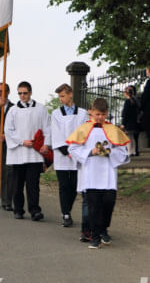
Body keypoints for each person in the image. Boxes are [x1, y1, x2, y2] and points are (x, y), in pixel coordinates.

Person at [67, 98, 131, 249]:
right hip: (90, 173)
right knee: (93, 206)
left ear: (107, 113)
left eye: (103, 114)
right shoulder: (83, 129)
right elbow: (72, 149)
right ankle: (95, 237)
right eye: (97, 114)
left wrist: (110, 152)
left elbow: (123, 151)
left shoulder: (114, 130)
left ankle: (103, 228)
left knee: (108, 203)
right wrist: (90, 151)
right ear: (91, 112)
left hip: (108, 173)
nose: (100, 117)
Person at [4, 81, 51, 221]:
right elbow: (8, 130)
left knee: (33, 184)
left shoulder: (41, 109)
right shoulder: (13, 110)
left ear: (30, 92)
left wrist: (46, 145)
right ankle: (18, 209)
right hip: (18, 152)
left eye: (25, 93)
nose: (22, 96)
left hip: (35, 153)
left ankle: (35, 210)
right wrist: (21, 141)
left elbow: (47, 128)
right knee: (17, 184)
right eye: (20, 93)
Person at [50, 83, 89, 227]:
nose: (60, 99)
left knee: (73, 186)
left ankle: (68, 209)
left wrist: (76, 150)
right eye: (59, 96)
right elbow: (56, 133)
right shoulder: (56, 114)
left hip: (77, 154)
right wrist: (66, 150)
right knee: (64, 185)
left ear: (70, 94)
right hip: (62, 154)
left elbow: (84, 131)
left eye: (63, 96)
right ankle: (65, 213)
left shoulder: (83, 113)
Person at [120, 85, 142, 156]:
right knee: (133, 138)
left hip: (128, 123)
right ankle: (134, 151)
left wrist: (123, 123)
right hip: (134, 123)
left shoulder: (127, 101)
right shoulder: (135, 101)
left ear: (126, 93)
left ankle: (130, 151)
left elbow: (125, 114)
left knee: (129, 138)